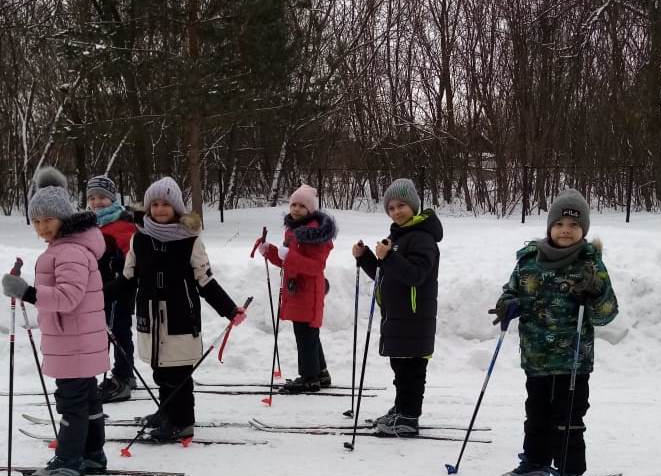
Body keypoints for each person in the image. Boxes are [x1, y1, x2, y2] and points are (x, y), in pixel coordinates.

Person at [490, 188, 618, 476]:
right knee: (536, 413)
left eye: (574, 226)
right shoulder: (529, 261)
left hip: (571, 361)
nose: (566, 229)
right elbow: (511, 291)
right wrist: (508, 304)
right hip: (536, 357)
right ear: (550, 227)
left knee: (567, 419)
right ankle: (534, 463)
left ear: (583, 231)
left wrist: (595, 293)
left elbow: (606, 315)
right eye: (560, 224)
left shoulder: (591, 266)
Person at [1, 167, 109, 476]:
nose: (42, 227)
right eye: (36, 221)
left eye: (48, 220)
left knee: (72, 402)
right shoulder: (66, 249)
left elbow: (68, 297)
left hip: (72, 343)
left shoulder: (70, 252)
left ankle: (69, 460)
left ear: (63, 218)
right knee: (87, 399)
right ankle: (91, 454)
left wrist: (28, 292)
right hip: (77, 342)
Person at [122, 176, 247, 441]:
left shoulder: (190, 240)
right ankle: (167, 412)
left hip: (180, 316)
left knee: (177, 374)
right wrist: (99, 297)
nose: (159, 209)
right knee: (160, 370)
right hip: (150, 315)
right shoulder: (139, 238)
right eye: (154, 204)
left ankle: (183, 422)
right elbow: (128, 278)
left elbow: (205, 280)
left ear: (177, 207)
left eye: (166, 204)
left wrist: (229, 309)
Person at [352, 178, 443, 436]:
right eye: (391, 208)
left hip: (415, 318)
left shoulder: (423, 239)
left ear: (413, 205)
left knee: (412, 372)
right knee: (400, 370)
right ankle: (401, 409)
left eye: (401, 205)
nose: (396, 211)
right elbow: (385, 274)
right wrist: (367, 257)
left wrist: (389, 256)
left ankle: (409, 417)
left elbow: (416, 275)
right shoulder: (398, 236)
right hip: (397, 317)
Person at [258, 184, 337, 393]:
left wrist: (288, 256)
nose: (296, 209)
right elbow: (288, 262)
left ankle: (309, 378)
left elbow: (315, 266)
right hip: (298, 290)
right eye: (293, 204)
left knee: (305, 333)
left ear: (310, 210)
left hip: (308, 291)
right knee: (308, 333)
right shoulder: (293, 230)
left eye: (302, 205)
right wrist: (271, 252)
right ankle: (320, 372)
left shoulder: (315, 234)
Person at [85, 175, 138, 402]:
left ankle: (124, 375)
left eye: (103, 198)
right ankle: (118, 374)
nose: (97, 202)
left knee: (119, 331)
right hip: (99, 289)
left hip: (121, 288)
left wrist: (120, 262)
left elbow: (132, 256)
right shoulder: (89, 225)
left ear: (112, 199)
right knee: (103, 332)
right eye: (93, 198)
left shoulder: (122, 223)